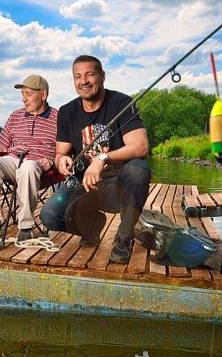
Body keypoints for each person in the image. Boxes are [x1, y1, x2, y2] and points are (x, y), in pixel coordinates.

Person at [40, 55, 151, 263]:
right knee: (49, 214)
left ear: (102, 76)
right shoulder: (66, 112)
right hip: (87, 186)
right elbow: (60, 153)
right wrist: (61, 160)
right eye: (77, 76)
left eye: (90, 74)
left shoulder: (122, 103)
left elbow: (141, 146)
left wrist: (102, 158)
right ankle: (91, 227)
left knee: (138, 169)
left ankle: (124, 238)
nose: (84, 81)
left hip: (120, 187)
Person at [0, 74, 59, 241]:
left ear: (42, 95)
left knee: (27, 167)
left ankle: (26, 225)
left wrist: (52, 160)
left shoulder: (58, 118)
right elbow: (3, 147)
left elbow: (65, 150)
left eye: (28, 94)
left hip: (39, 165)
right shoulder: (15, 116)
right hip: (13, 159)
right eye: (22, 95)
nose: (23, 100)